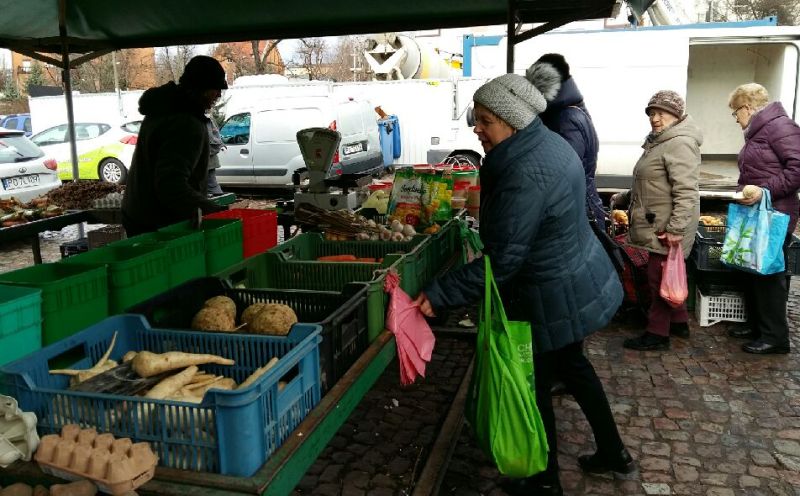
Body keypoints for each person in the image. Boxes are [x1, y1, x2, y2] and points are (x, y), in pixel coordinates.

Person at [413, 62, 633, 495]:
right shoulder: (549, 144)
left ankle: (543, 480)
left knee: (535, 382)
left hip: (549, 290)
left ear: (513, 119)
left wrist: (440, 292)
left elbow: (505, 262)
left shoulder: (523, 172)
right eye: (477, 119)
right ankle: (613, 453)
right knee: (574, 367)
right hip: (571, 276)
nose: (477, 129)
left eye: (486, 121)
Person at [614, 90, 702, 351]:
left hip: (668, 225)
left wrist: (676, 228)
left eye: (662, 112)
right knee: (668, 274)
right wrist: (624, 197)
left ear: (676, 115)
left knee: (659, 277)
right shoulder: (659, 142)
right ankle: (678, 323)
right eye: (652, 113)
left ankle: (657, 333)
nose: (655, 118)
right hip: (659, 221)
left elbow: (686, 191)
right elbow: (652, 182)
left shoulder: (679, 143)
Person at [726, 83, 800, 354]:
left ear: (747, 107)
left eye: (735, 113)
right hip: (759, 211)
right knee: (754, 269)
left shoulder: (781, 127)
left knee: (769, 274)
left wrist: (764, 190)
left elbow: (797, 169)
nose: (736, 119)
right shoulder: (761, 131)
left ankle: (775, 337)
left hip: (776, 213)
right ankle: (758, 325)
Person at [122, 55, 228, 236]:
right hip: (159, 225)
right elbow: (170, 185)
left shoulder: (162, 109)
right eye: (216, 89)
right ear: (201, 88)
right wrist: (215, 212)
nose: (218, 95)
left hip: (139, 216)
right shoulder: (185, 122)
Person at [533, 53, 605, 224]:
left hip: (577, 211)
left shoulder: (565, 118)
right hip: (581, 206)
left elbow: (565, 173)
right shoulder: (568, 112)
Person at [206, 117, 225, 196]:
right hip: (209, 158)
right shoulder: (207, 118)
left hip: (207, 159)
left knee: (211, 185)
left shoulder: (205, 119)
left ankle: (221, 206)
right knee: (212, 185)